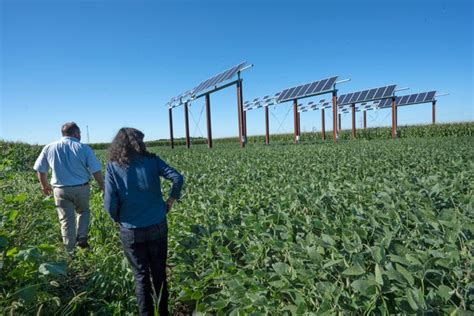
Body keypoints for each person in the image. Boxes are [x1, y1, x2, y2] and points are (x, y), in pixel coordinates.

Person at [104, 127, 183, 316]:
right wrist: (170, 201)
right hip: (157, 225)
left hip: (131, 230)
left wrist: (119, 218)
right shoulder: (152, 160)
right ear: (139, 142)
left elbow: (109, 202)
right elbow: (177, 178)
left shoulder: (113, 165)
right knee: (159, 274)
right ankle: (163, 312)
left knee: (141, 277)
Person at [33, 122, 104, 252]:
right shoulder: (83, 148)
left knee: (66, 220)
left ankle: (69, 251)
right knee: (83, 211)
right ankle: (82, 236)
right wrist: (103, 185)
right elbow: (95, 170)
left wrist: (44, 185)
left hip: (60, 190)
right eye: (79, 133)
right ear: (76, 133)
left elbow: (41, 169)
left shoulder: (49, 147)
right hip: (81, 188)